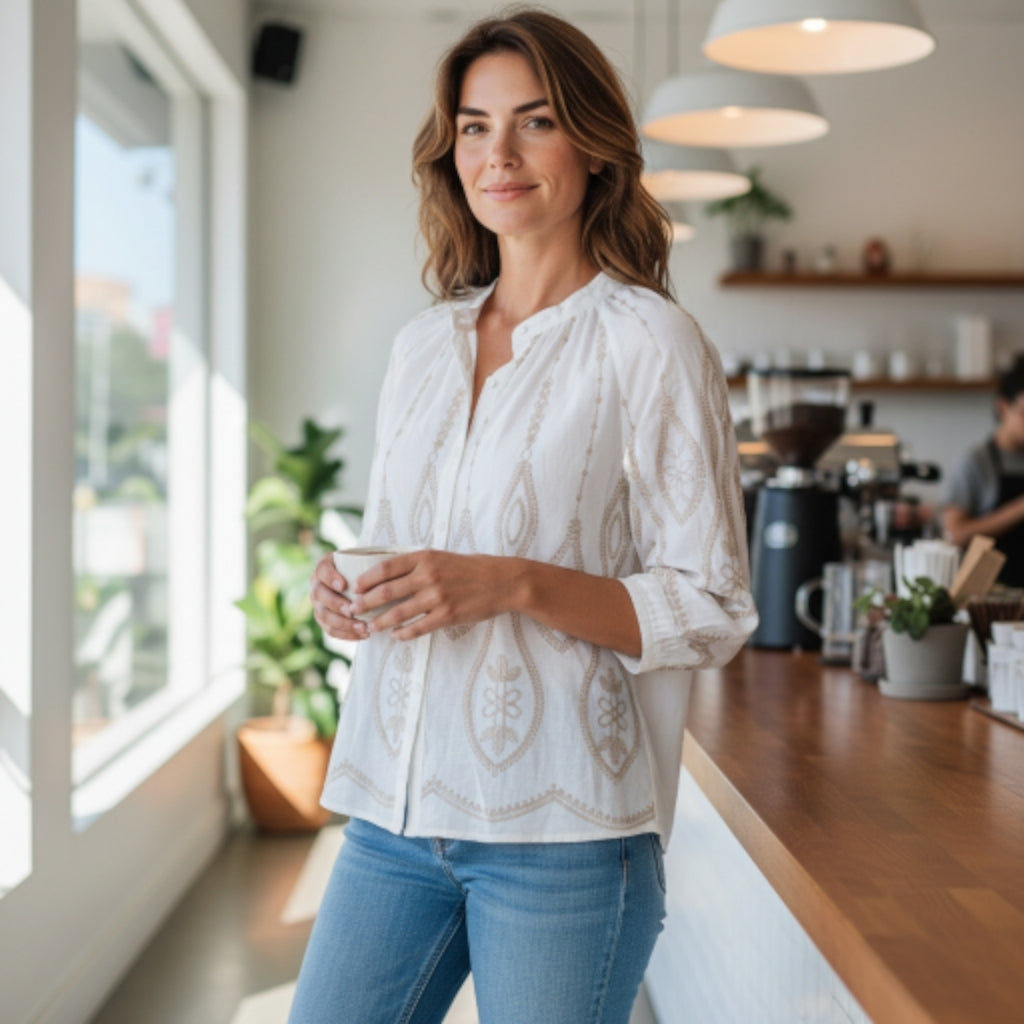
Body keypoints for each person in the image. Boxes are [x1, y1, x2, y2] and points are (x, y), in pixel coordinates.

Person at [291, 10, 757, 1023]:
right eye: (471, 126)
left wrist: (511, 581)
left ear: (591, 146)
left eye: (533, 122)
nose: (496, 154)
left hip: (566, 834)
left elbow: (713, 604)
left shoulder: (649, 340)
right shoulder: (422, 344)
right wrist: (345, 592)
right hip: (392, 818)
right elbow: (393, 540)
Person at [943, 355, 1024, 586]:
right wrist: (1019, 508)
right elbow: (955, 534)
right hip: (992, 597)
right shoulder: (976, 462)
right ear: (1003, 407)